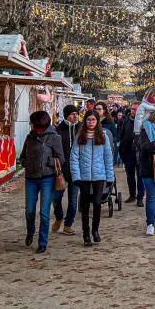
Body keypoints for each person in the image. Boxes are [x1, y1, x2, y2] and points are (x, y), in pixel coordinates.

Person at [18, 110, 65, 254]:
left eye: (31, 121)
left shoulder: (54, 137)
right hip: (30, 178)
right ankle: (30, 232)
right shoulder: (30, 137)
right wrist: (26, 162)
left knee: (44, 212)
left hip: (47, 178)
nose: (29, 123)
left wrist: (46, 162)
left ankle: (42, 242)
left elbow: (61, 158)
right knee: (29, 210)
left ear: (38, 122)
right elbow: (23, 155)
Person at [69, 110, 114, 247]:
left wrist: (110, 175)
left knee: (97, 203)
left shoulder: (103, 136)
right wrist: (76, 176)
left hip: (99, 175)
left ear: (97, 121)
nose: (91, 122)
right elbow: (74, 157)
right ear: (85, 121)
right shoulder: (80, 137)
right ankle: (86, 234)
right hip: (84, 176)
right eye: (89, 120)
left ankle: (95, 230)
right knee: (85, 204)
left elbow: (108, 156)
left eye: (93, 120)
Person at [54, 105, 81, 235]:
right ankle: (59, 217)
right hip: (61, 169)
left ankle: (68, 224)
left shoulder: (81, 129)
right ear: (66, 116)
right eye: (72, 114)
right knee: (57, 198)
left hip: (76, 170)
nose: (76, 116)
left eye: (77, 114)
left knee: (73, 199)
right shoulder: (58, 131)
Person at [119, 102, 145, 206]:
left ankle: (140, 197)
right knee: (130, 175)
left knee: (140, 175)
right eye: (133, 109)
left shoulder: (144, 122)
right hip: (128, 151)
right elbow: (122, 135)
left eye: (136, 109)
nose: (134, 111)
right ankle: (132, 194)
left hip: (140, 152)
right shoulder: (126, 121)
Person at [96, 101, 120, 166]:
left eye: (99, 109)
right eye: (96, 109)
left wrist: (109, 139)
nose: (97, 111)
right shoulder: (92, 121)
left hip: (106, 148)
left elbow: (115, 136)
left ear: (104, 110)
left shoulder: (109, 122)